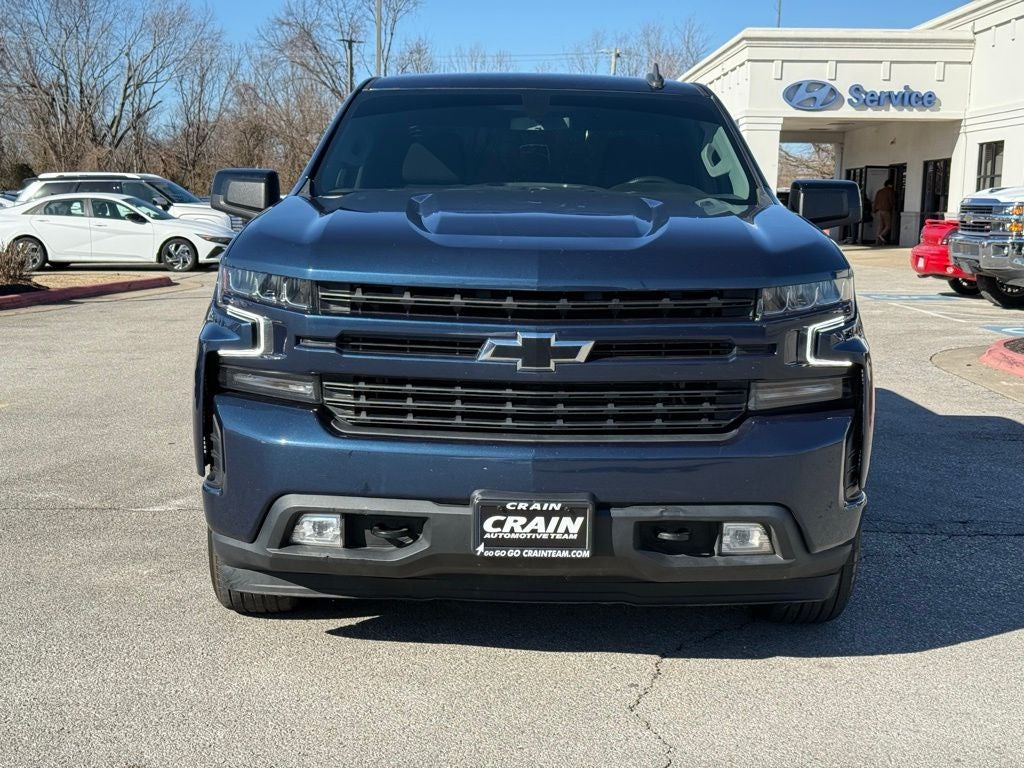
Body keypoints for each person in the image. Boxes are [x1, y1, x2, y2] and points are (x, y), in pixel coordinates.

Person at [873, 179, 896, 246]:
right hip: (886, 210)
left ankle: (877, 242)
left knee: (880, 226)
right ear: (890, 184)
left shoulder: (879, 191)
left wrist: (874, 210)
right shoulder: (890, 191)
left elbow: (875, 201)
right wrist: (893, 208)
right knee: (888, 226)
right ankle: (881, 235)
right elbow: (892, 201)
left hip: (878, 211)